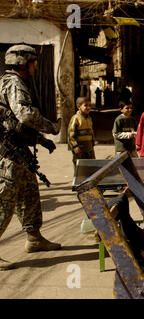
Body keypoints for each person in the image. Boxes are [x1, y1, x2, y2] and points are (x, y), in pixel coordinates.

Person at [0, 44, 62, 271]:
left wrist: (41, 140)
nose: (36, 67)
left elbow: (13, 122)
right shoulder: (14, 83)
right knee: (5, 202)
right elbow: (24, 115)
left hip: (19, 150)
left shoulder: (13, 82)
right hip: (9, 154)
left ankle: (34, 238)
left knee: (29, 196)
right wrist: (51, 127)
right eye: (33, 62)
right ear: (23, 63)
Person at [67, 96, 95, 170]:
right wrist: (75, 146)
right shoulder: (75, 118)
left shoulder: (89, 118)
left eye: (90, 105)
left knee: (91, 166)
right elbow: (71, 134)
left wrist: (92, 143)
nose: (88, 107)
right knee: (80, 167)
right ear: (79, 106)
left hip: (89, 147)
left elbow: (91, 132)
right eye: (86, 105)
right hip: (79, 148)